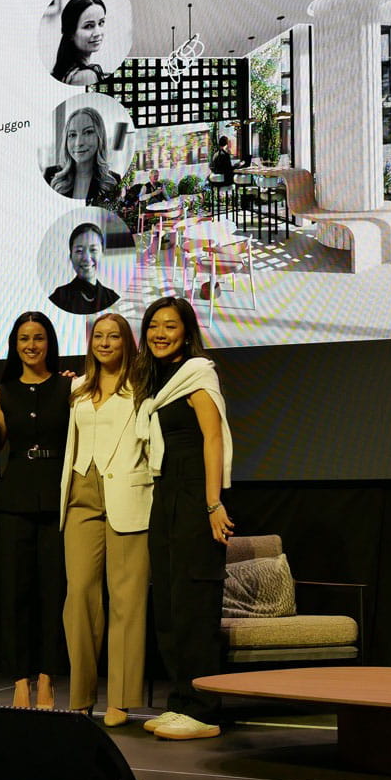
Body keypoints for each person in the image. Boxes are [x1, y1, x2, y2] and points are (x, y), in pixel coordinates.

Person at [133, 297, 234, 741]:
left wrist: (213, 504)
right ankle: (180, 702)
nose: (159, 333)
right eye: (153, 325)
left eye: (169, 326)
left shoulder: (197, 373)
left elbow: (213, 439)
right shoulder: (156, 381)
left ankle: (204, 709)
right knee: (170, 604)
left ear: (186, 331)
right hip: (166, 493)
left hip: (195, 493)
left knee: (195, 603)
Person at [60, 314, 151, 726]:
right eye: (99, 335)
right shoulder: (77, 387)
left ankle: (121, 697)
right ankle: (81, 695)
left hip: (128, 496)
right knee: (79, 595)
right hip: (81, 494)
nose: (105, 342)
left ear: (127, 342)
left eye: (114, 336)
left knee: (127, 600)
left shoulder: (142, 388)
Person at [0, 312, 71, 709]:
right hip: (14, 502)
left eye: (38, 337)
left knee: (54, 593)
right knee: (16, 594)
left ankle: (47, 679)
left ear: (49, 343)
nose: (31, 345)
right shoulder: (3, 391)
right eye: (24, 338)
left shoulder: (68, 387)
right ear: (15, 344)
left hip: (58, 502)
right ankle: (20, 679)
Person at [44, 108, 121, 206]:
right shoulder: (50, 176)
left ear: (99, 137)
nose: (78, 143)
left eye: (88, 132)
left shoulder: (113, 181)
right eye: (72, 135)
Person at [49, 222, 120, 315]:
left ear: (102, 253)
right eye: (79, 251)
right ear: (71, 256)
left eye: (93, 250)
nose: (86, 258)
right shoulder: (60, 297)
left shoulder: (111, 298)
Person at [51, 0, 107, 86]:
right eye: (88, 26)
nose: (98, 33)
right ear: (71, 33)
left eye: (101, 23)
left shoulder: (67, 70)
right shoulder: (85, 76)